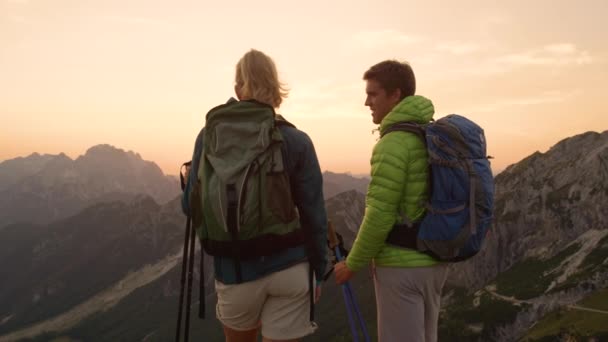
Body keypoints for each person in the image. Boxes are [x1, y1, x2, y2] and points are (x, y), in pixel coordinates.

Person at [182, 49, 327, 342]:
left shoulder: (209, 136)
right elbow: (314, 216)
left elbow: (190, 206)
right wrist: (319, 271)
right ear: (276, 89)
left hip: (236, 271)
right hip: (292, 269)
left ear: (238, 88)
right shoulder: (297, 140)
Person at [334, 60, 449, 342]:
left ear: (395, 94)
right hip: (435, 262)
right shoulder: (428, 134)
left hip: (402, 268)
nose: (366, 102)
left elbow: (380, 214)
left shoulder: (394, 142)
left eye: (373, 94)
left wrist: (351, 264)